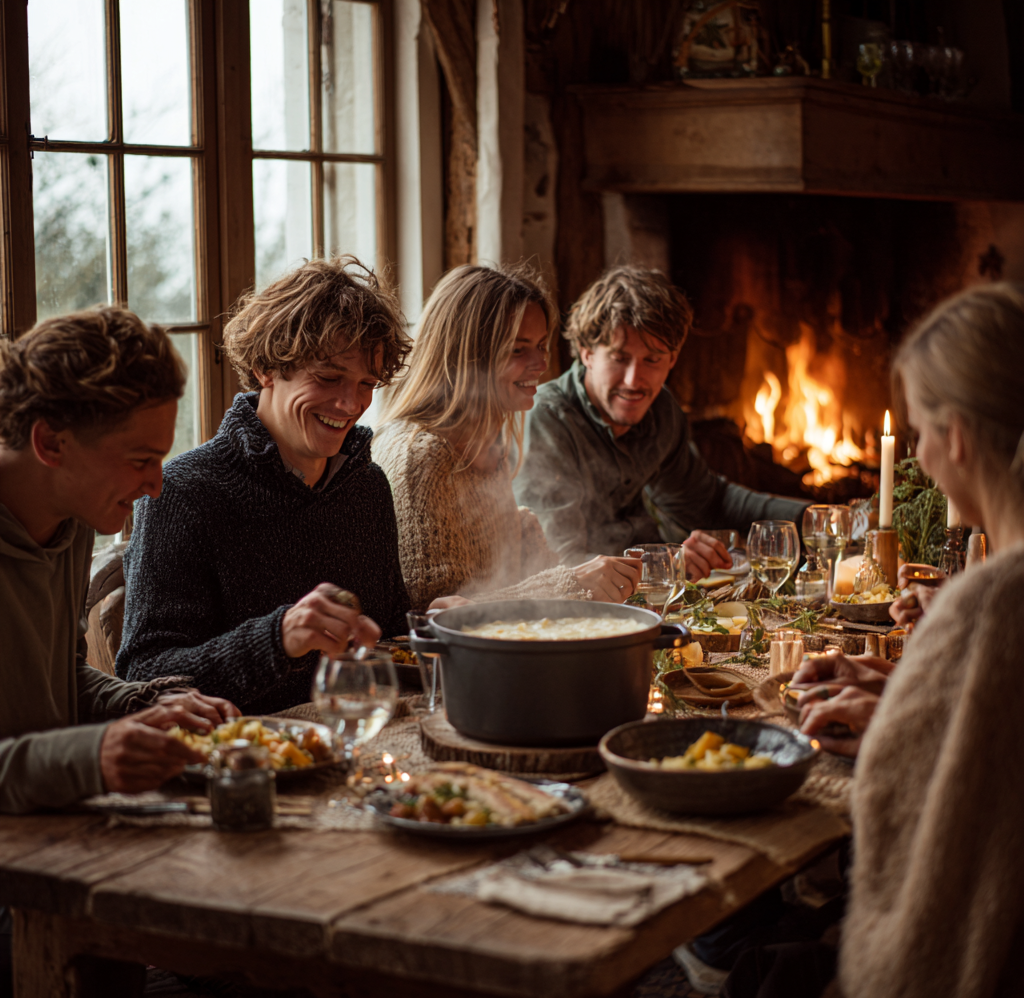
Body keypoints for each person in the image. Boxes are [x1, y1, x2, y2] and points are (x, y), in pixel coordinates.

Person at [796, 282, 1024, 998]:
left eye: (922, 433)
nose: (920, 458)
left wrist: (891, 722)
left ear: (956, 434)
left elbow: (914, 790)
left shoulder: (992, 602)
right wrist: (903, 685)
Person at [117, 257, 412, 714]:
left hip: (363, 746)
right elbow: (144, 678)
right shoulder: (181, 493)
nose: (351, 403)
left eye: (366, 383)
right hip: (241, 766)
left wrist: (436, 629)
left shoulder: (369, 486)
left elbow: (388, 638)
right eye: (329, 377)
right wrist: (278, 640)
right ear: (266, 369)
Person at [0, 305, 238, 814]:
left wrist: (141, 703)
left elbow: (57, 678)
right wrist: (91, 757)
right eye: (139, 460)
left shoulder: (75, 512)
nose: (155, 486)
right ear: (50, 442)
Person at [513, 265, 809, 580]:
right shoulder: (546, 419)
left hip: (654, 595)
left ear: (673, 359)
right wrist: (668, 563)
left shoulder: (660, 409)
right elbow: (560, 568)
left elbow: (709, 502)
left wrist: (811, 517)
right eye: (618, 358)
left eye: (652, 360)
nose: (633, 381)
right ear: (586, 353)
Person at [373, 264, 641, 609]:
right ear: (468, 356)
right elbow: (434, 614)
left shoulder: (485, 444)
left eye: (542, 345)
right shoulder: (421, 457)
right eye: (518, 349)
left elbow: (509, 581)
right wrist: (571, 584)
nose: (540, 363)